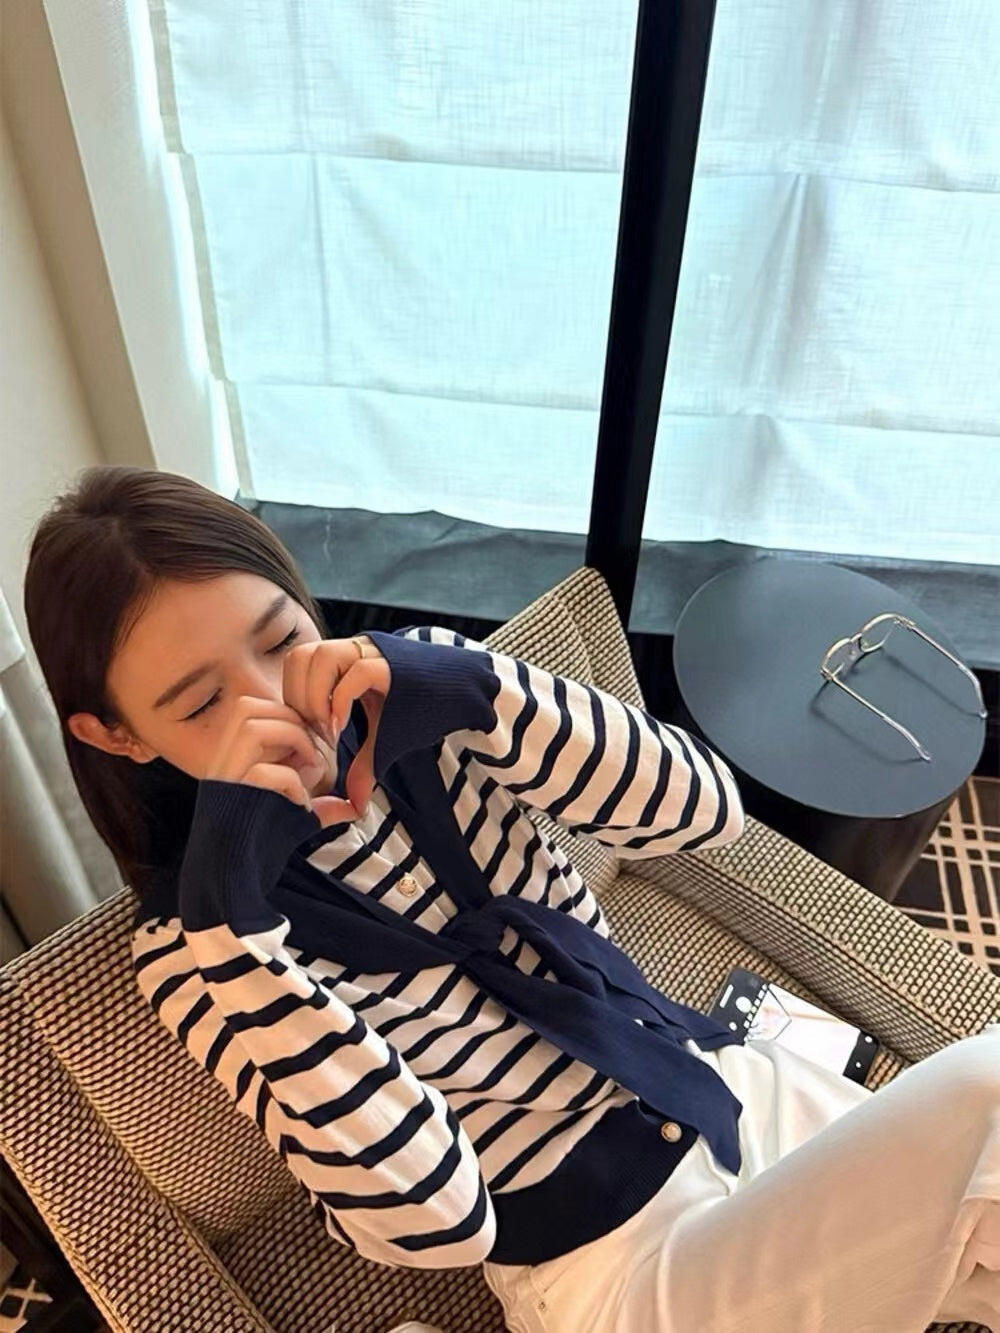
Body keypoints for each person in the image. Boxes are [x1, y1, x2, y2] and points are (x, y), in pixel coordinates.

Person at [23, 463, 1000, 1333]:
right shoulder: (198, 952)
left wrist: (480, 686)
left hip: (731, 1092)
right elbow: (436, 1220)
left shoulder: (421, 694)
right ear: (118, 735)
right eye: (202, 703)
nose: (275, 707)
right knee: (982, 1086)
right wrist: (235, 926)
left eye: (282, 639)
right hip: (618, 1266)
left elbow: (704, 813)